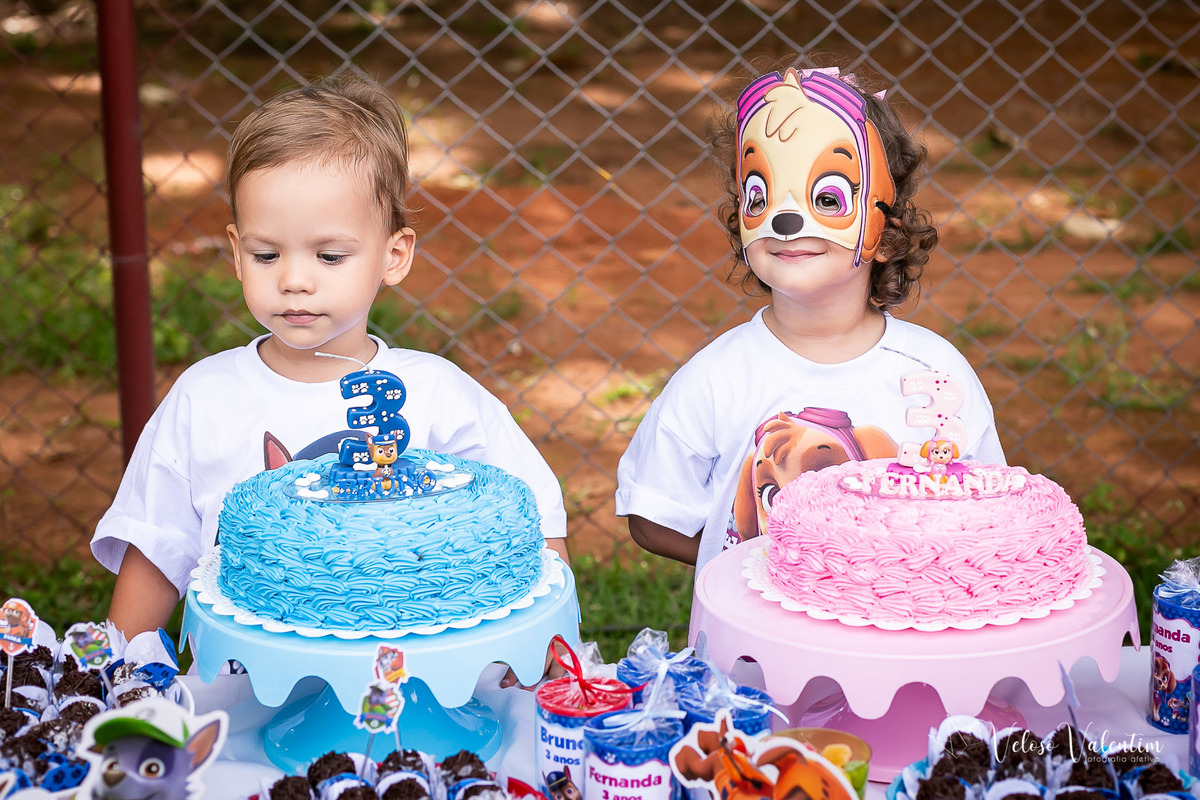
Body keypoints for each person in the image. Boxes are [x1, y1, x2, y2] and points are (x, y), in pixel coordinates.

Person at [92, 73, 569, 641]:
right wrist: (108, 672)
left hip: (421, 679)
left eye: (330, 255)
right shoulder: (203, 398)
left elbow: (532, 524)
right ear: (236, 254)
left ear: (393, 256)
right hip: (245, 695)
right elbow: (155, 549)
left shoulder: (439, 394)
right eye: (266, 253)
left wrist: (548, 639)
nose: (295, 280)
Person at [615, 62, 1005, 573]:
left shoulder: (935, 371)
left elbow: (991, 508)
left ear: (887, 236)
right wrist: (755, 565)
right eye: (760, 195)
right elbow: (651, 516)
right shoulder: (716, 378)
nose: (785, 219)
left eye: (827, 198)